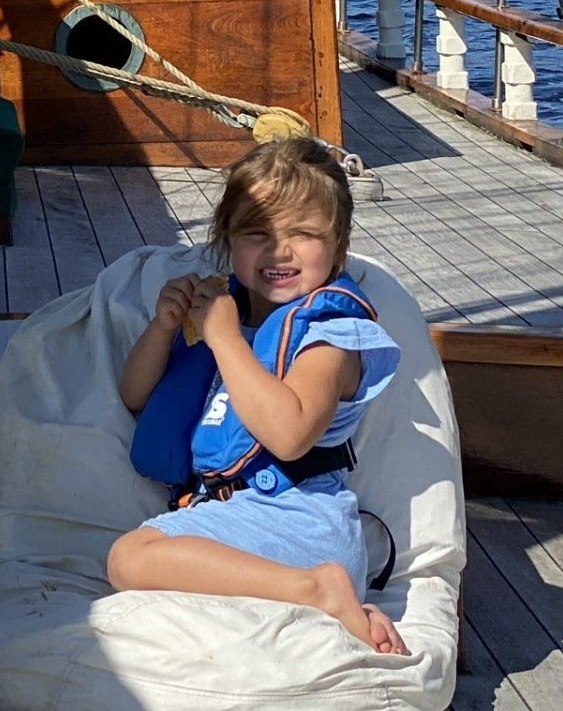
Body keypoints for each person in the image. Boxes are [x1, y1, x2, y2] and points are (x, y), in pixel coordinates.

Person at [107, 139, 408, 654]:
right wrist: (163, 327)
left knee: (128, 558)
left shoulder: (329, 336)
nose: (279, 250)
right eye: (257, 233)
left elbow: (289, 437)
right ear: (227, 240)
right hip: (239, 519)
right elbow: (134, 396)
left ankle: (319, 592)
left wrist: (224, 338)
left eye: (303, 234)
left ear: (338, 245)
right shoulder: (224, 311)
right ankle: (326, 599)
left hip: (301, 522)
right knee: (137, 559)